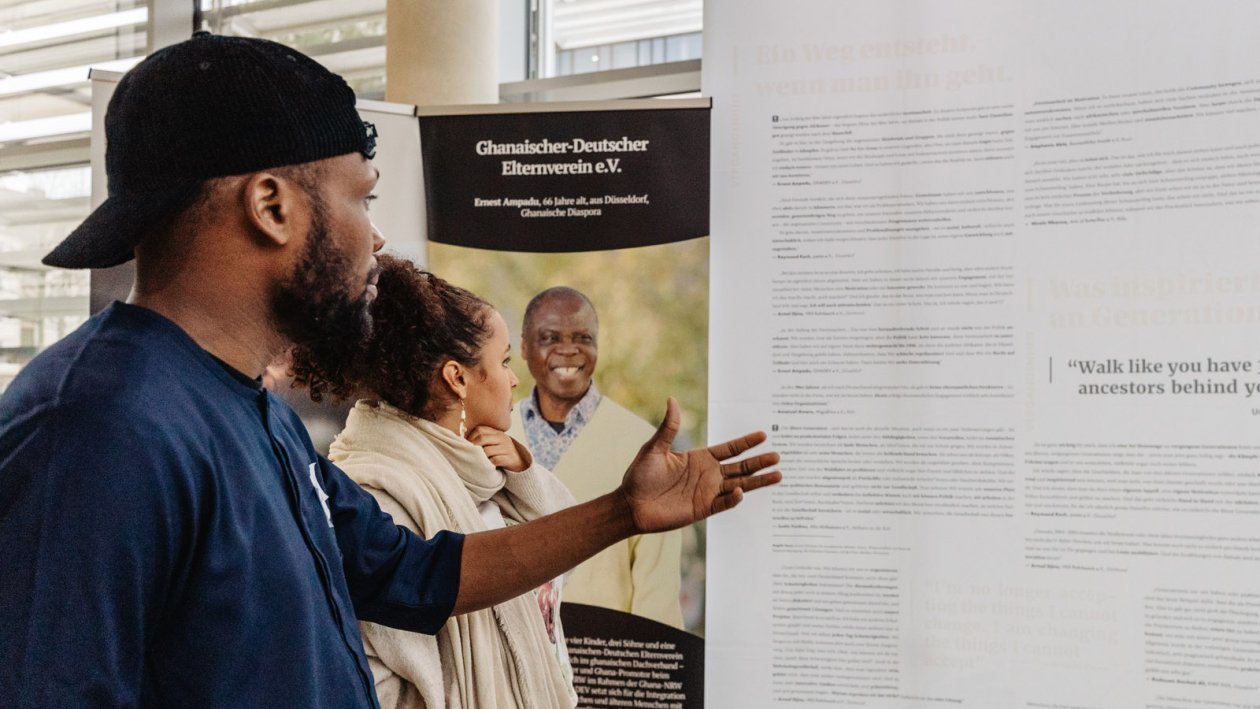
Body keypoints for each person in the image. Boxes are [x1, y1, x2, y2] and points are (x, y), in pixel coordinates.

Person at [0, 33, 780, 708]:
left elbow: (416, 575)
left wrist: (621, 512)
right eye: (362, 200)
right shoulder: (99, 428)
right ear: (272, 206)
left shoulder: (255, 411)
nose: (377, 240)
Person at [288, 255, 578, 708]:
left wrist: (523, 474)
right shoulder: (380, 495)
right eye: (503, 362)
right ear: (457, 378)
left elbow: (562, 547)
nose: (515, 379)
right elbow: (373, 676)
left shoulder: (485, 471)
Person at [509, 287, 683, 627]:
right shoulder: (494, 437)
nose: (569, 350)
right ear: (525, 347)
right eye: (550, 337)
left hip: (605, 657)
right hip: (512, 660)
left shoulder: (641, 444)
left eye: (583, 337)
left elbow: (658, 589)